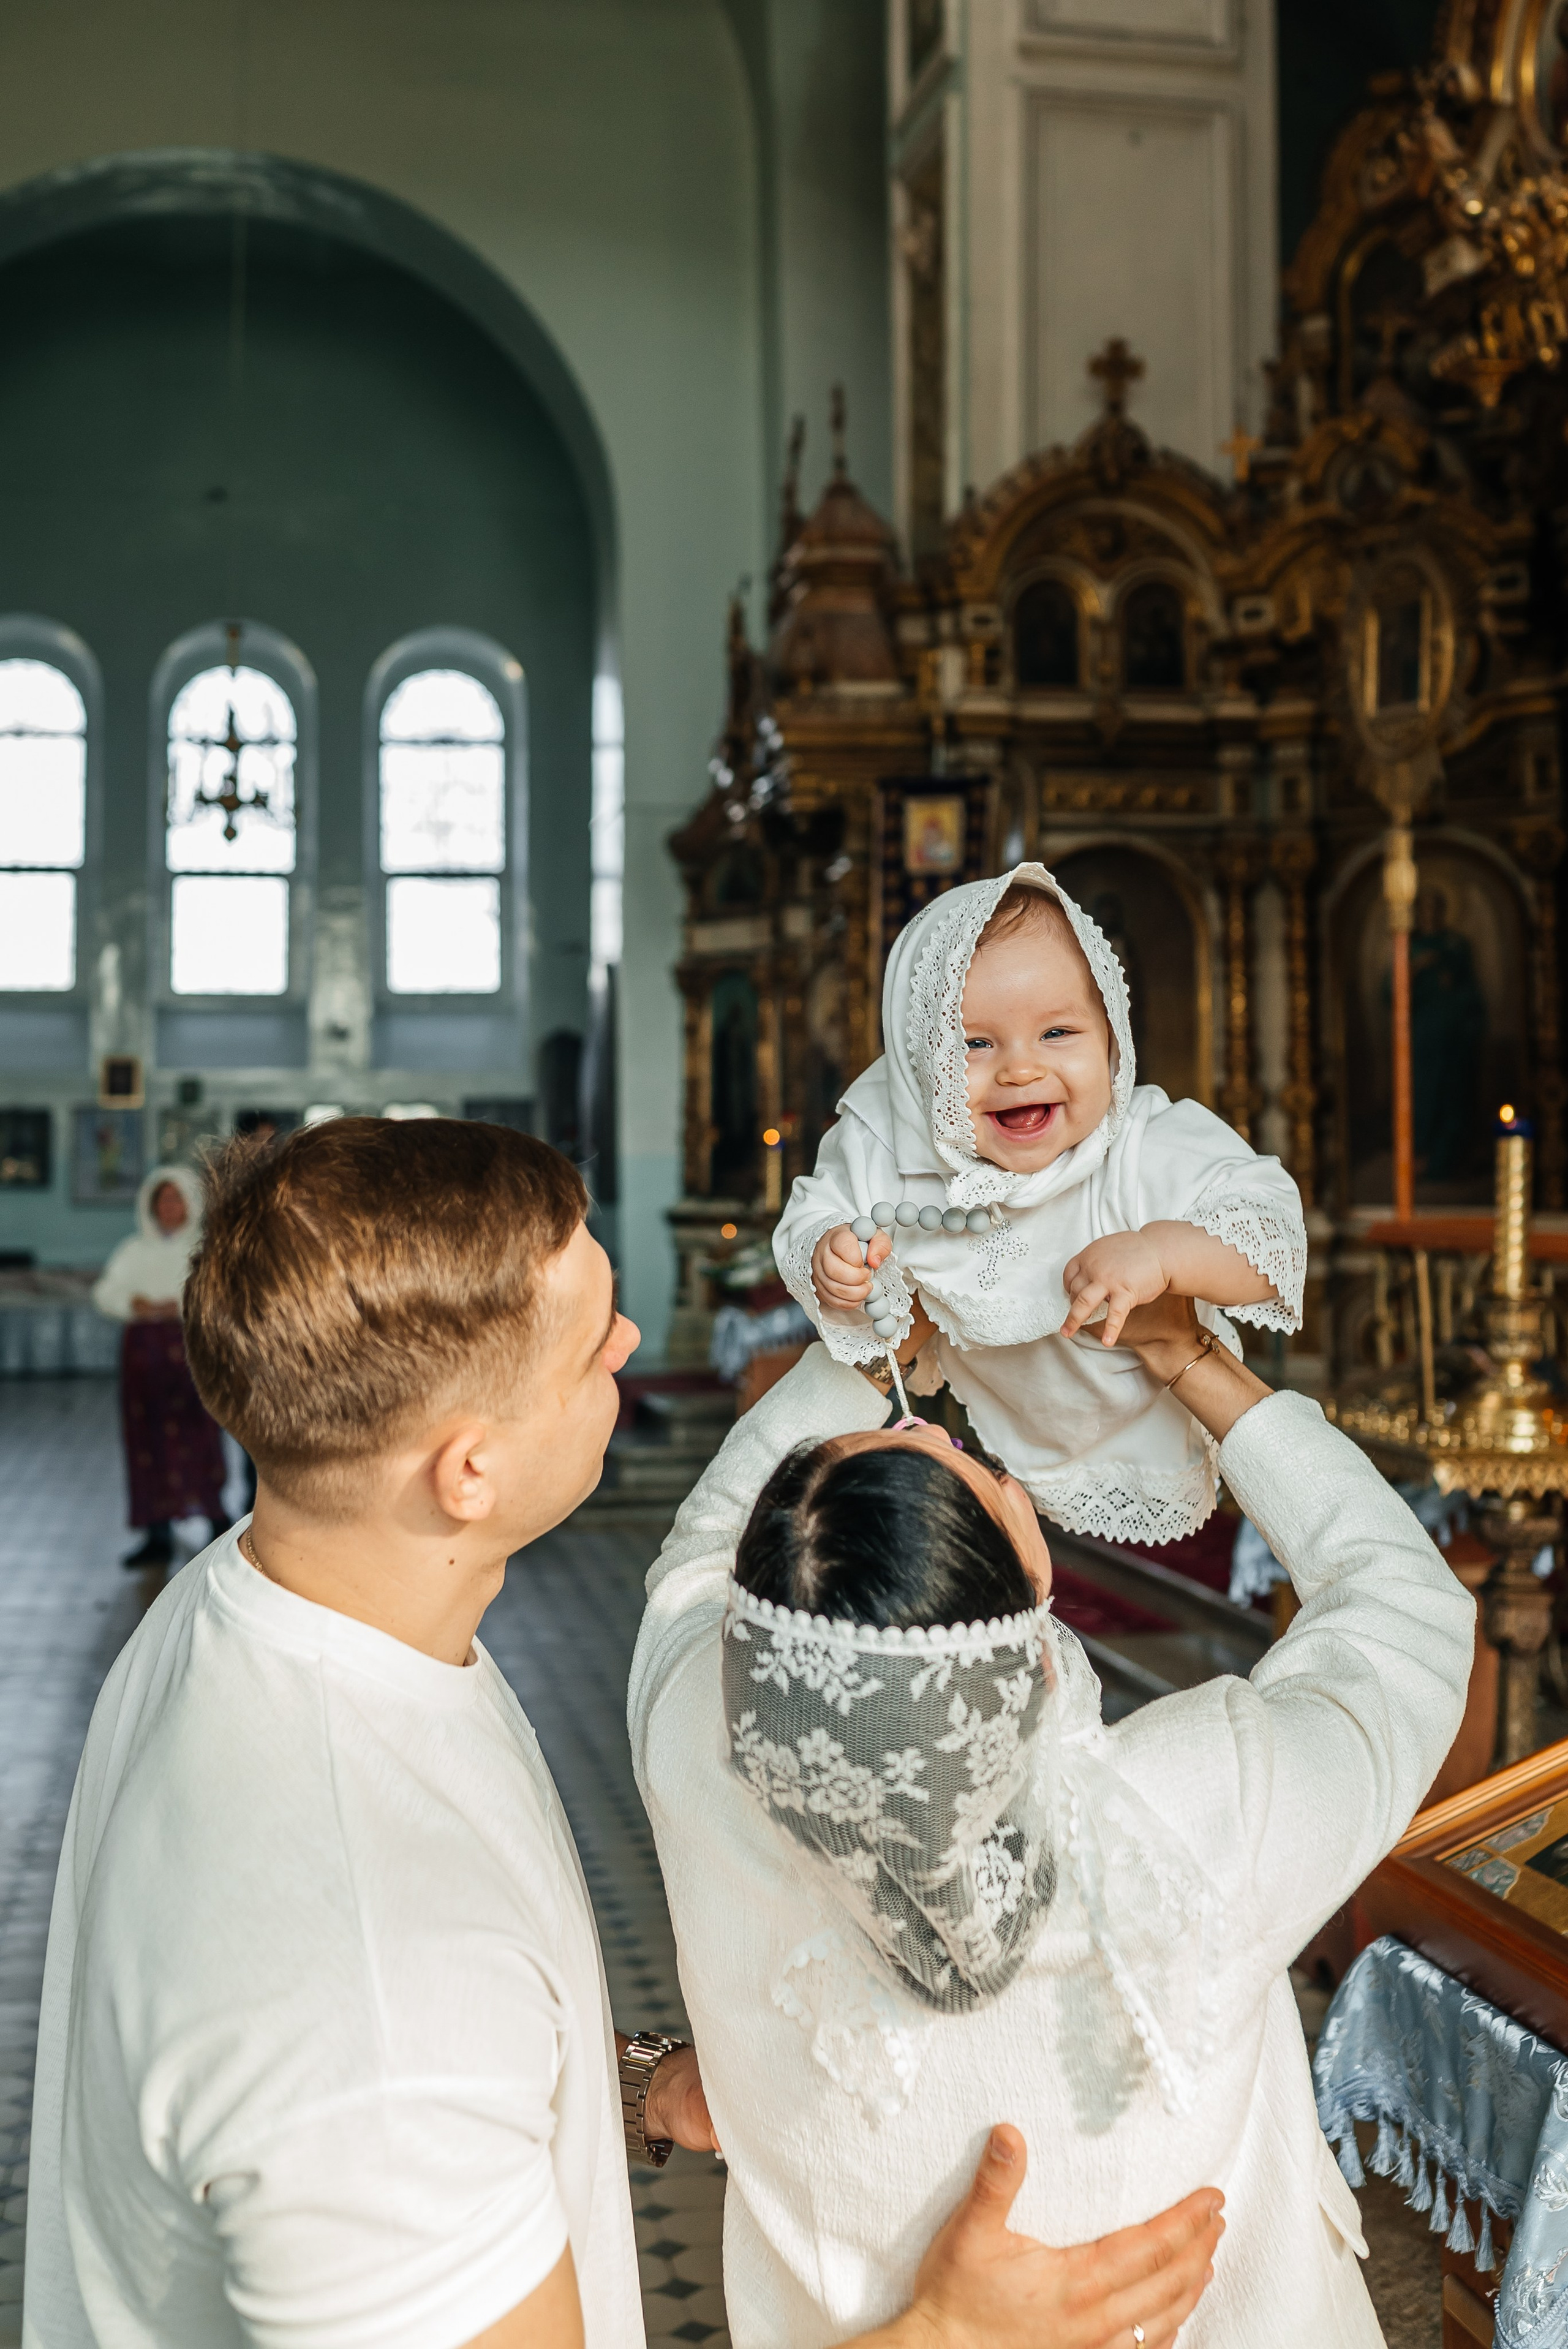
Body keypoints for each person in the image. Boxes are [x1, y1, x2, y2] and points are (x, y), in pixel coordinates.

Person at [26, 1117, 1224, 2349]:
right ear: (468, 1473)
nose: (630, 1343)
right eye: (591, 1341)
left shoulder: (263, 1588)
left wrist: (631, 2082)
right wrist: (954, 2336)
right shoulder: (374, 1980)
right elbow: (390, 2045)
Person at [628, 1291, 1476, 2347]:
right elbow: (1406, 1610)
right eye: (952, 1457)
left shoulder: (694, 1746)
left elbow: (694, 1559)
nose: (940, 1432)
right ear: (1027, 1585)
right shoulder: (1195, 1810)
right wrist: (1195, 1360)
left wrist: (863, 1358)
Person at [773, 863, 1307, 1545]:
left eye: (1057, 1033)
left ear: (1111, 1031)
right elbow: (814, 1212)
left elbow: (1271, 1238)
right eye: (975, 1043)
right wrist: (831, 1255)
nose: (1020, 1069)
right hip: (978, 1454)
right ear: (919, 1060)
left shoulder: (1142, 1142)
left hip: (1154, 1429)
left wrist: (1164, 1253)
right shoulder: (893, 1137)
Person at [91, 1162, 228, 1570]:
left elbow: (220, 1294)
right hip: (144, 1359)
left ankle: (216, 1522)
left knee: (198, 1434)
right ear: (150, 1206)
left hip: (191, 1354)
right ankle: (157, 1533)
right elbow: (106, 1291)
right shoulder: (134, 1250)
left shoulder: (205, 1248)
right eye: (162, 1200)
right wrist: (132, 1303)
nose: (169, 1207)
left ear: (190, 1204)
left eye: (176, 1199)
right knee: (147, 1438)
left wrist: (180, 1305)